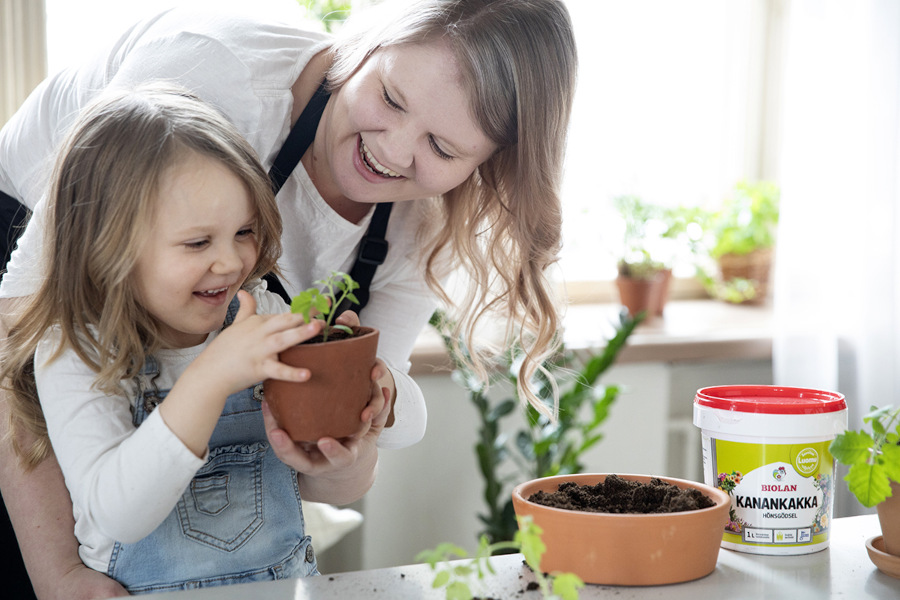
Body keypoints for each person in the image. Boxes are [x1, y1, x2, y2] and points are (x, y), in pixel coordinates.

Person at [0, 0, 577, 597]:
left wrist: (343, 454)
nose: (394, 150)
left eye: (443, 149)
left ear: (490, 165)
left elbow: (350, 445)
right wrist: (60, 574)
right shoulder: (212, 80)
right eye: (390, 99)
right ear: (366, 48)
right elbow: (19, 335)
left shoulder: (420, 233)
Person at [0, 83, 395, 594]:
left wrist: (349, 455)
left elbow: (325, 488)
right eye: (197, 242)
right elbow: (118, 514)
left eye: (245, 232)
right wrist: (213, 377)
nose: (231, 262)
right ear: (106, 246)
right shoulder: (77, 352)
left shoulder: (260, 313)